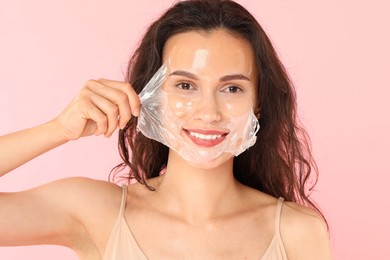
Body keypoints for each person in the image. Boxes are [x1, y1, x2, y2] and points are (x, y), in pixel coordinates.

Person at [0, 0, 331, 259]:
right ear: (150, 96)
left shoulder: (297, 232)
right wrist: (59, 129)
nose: (208, 112)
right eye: (185, 85)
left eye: (232, 89)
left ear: (257, 104)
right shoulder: (95, 213)